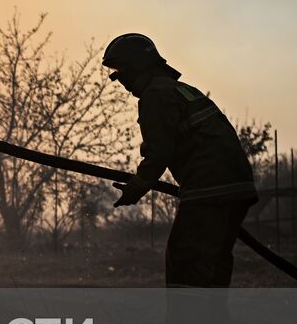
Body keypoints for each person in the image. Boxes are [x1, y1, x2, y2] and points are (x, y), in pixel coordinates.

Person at [103, 33, 257, 288]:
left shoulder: (156, 95)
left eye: (121, 72)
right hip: (237, 187)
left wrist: (136, 187)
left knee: (184, 263)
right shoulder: (184, 91)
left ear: (134, 69)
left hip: (208, 188)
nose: (121, 81)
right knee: (212, 267)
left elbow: (159, 152)